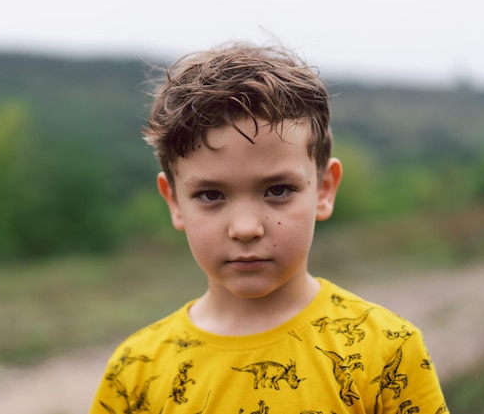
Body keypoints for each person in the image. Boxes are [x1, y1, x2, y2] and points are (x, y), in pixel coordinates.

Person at [89, 41, 449, 414]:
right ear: (174, 202)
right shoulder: (135, 368)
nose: (246, 228)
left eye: (278, 190)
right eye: (211, 195)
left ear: (324, 189)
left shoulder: (387, 349)